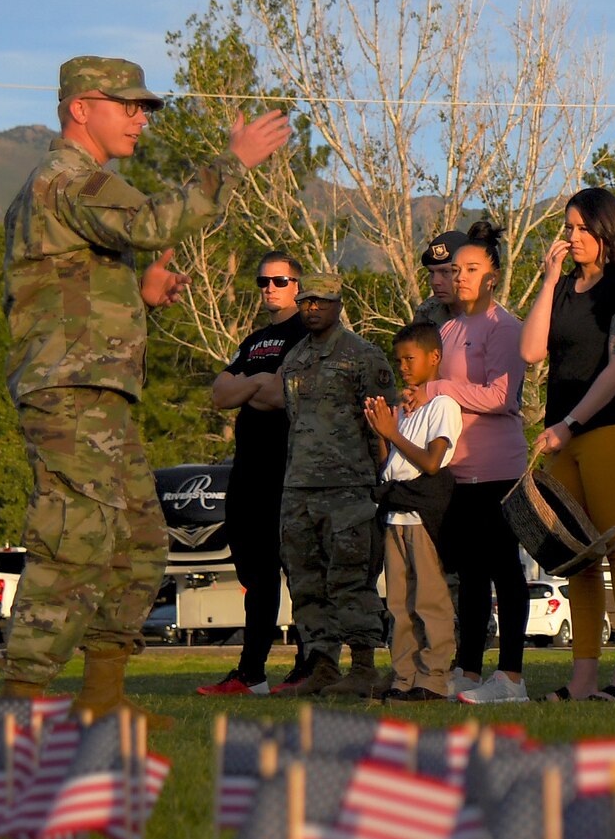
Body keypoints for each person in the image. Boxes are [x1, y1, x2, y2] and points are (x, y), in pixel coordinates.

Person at [0, 56, 288, 717]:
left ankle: (101, 698)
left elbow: (70, 291)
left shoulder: (76, 190)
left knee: (138, 542)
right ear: (79, 107)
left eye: (143, 107)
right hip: (72, 391)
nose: (139, 118)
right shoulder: (67, 179)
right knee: (72, 536)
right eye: (125, 104)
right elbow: (154, 222)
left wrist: (141, 292)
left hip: (98, 389)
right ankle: (17, 706)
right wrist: (232, 161)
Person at [519, 187, 615, 702]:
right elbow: (531, 351)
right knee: (574, 556)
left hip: (613, 429)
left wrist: (572, 423)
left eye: (581, 228)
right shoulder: (565, 286)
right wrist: (550, 280)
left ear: (605, 230)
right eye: (568, 227)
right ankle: (581, 681)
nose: (572, 237)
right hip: (563, 434)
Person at [416, 222, 531, 704]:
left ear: (493, 276)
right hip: (456, 468)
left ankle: (511, 677)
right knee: (471, 573)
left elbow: (503, 396)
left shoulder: (505, 327)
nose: (459, 277)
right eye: (455, 269)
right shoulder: (448, 326)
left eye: (471, 269)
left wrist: (438, 389)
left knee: (504, 567)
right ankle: (468, 668)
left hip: (497, 466)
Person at [273, 272, 401, 698]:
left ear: (339, 304)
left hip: (349, 489)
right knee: (306, 581)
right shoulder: (293, 359)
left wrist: (382, 482)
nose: (312, 308)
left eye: (321, 301)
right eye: (306, 301)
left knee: (350, 579)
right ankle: (323, 666)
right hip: (299, 488)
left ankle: (363, 666)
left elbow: (382, 427)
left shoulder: (363, 356)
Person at [198, 251, 310, 697]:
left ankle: (307, 667)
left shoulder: (306, 332)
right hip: (246, 472)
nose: (269, 288)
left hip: (288, 471)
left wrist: (251, 387)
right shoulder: (254, 338)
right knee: (256, 577)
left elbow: (283, 395)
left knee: (299, 572)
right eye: (262, 281)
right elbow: (220, 393)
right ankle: (252, 674)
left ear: (297, 285)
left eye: (279, 281)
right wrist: (255, 385)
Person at [365, 322, 463, 702]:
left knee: (430, 600)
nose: (403, 367)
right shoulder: (407, 409)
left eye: (410, 359)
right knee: (398, 604)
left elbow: (433, 462)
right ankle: (403, 675)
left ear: (434, 358)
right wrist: (381, 432)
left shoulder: (442, 406)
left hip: (423, 516)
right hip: (396, 514)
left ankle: (434, 677)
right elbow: (390, 466)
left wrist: (393, 433)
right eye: (399, 359)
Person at [412, 229, 466, 329]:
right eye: (432, 272)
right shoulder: (426, 312)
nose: (435, 282)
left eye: (445, 272)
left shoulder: (492, 319)